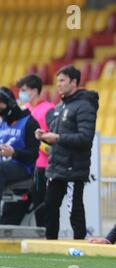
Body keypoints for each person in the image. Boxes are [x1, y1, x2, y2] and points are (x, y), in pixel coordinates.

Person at [35, 65, 98, 239]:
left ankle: (80, 244)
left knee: (74, 209)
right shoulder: (60, 106)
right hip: (56, 167)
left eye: (62, 81)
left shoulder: (84, 106)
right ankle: (51, 244)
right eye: (57, 81)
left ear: (74, 82)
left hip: (73, 169)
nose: (58, 85)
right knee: (50, 207)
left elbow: (85, 138)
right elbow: (57, 136)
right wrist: (44, 136)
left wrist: (57, 138)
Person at [15, 74, 55, 227]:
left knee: (41, 208)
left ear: (34, 91)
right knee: (14, 209)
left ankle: (43, 240)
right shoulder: (22, 110)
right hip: (24, 167)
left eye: (24, 90)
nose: (21, 94)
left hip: (42, 168)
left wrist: (39, 145)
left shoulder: (48, 110)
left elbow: (54, 141)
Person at [0, 87, 40, 224]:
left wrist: (14, 153)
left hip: (23, 168)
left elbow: (34, 154)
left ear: (9, 103)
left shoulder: (29, 122)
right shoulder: (3, 123)